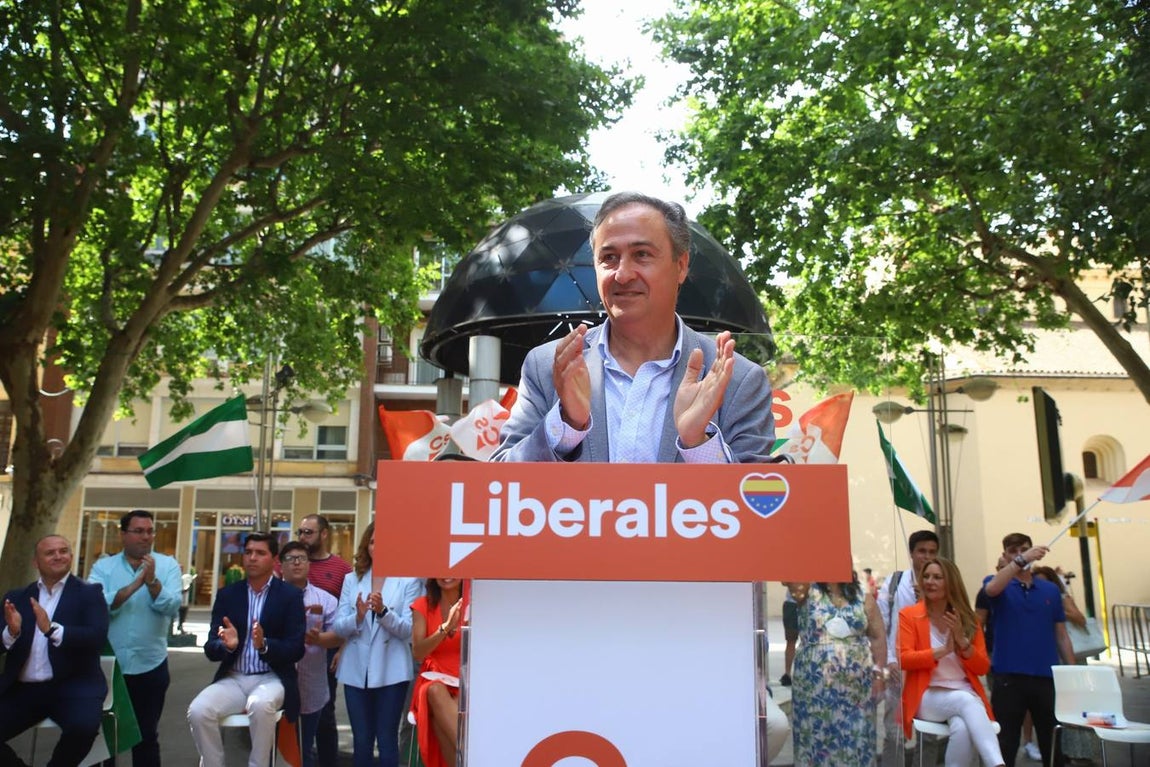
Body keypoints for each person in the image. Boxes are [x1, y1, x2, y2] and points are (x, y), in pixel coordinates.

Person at [492, 191, 777, 465]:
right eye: (609, 258)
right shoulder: (547, 367)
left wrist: (698, 443)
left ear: (681, 265)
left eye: (641, 254)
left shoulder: (739, 380)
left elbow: (760, 504)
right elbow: (498, 488)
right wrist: (565, 424)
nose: (623, 274)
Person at [187, 531, 305, 767]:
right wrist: (226, 645)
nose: (252, 557)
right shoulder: (228, 595)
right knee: (199, 711)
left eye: (260, 553)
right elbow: (211, 648)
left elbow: (296, 648)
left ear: (274, 561)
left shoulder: (289, 596)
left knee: (260, 705)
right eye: (248, 552)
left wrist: (265, 645)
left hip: (272, 678)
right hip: (234, 678)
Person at [0, 535, 110, 767]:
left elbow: (97, 638)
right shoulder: (16, 598)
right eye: (50, 553)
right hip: (22, 691)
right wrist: (12, 632)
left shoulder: (89, 594)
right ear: (35, 562)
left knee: (84, 728)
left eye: (64, 550)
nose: (58, 556)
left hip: (72, 687)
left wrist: (51, 630)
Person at [88, 509, 182, 767]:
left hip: (150, 664)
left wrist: (152, 583)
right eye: (138, 531)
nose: (146, 537)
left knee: (146, 735)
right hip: (110, 666)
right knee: (106, 738)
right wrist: (132, 588)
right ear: (123, 535)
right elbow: (94, 604)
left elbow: (172, 605)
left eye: (150, 531)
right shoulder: (103, 567)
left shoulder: (168, 566)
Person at [333, 523, 423, 767]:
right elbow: (338, 626)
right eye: (373, 542)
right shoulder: (352, 579)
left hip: (391, 670)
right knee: (361, 740)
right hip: (355, 671)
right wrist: (358, 617)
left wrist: (383, 612)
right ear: (366, 546)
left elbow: (408, 630)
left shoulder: (408, 581)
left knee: (386, 739)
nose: (377, 547)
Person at [899, 558, 1004, 767]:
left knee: (962, 727)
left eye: (937, 577)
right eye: (927, 576)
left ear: (951, 583)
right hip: (926, 694)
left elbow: (983, 668)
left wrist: (964, 644)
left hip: (963, 692)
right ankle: (997, 764)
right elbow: (904, 659)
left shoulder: (968, 619)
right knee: (965, 701)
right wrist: (941, 651)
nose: (930, 581)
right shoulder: (910, 615)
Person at [982, 533, 1075, 767]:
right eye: (1013, 551)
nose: (1020, 554)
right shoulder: (997, 583)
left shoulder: (1049, 590)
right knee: (1005, 743)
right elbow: (991, 590)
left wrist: (1072, 674)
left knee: (1052, 742)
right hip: (1008, 677)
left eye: (1024, 549)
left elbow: (1061, 634)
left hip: (1045, 676)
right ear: (1005, 556)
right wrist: (1020, 561)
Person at [788, 578, 886, 767]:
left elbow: (878, 637)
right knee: (817, 741)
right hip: (814, 689)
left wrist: (879, 674)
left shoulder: (862, 596)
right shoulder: (806, 590)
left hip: (857, 690)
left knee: (857, 740)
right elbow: (787, 576)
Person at [876, 529, 941, 767]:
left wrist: (927, 600)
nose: (927, 556)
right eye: (922, 551)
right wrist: (888, 661)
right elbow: (882, 624)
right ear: (911, 553)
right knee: (895, 733)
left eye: (932, 552)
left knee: (929, 733)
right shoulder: (894, 583)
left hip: (930, 668)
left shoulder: (943, 586)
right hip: (898, 668)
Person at [295, 514, 352, 767]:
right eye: (300, 532)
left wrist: (342, 648)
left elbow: (348, 616)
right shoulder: (290, 563)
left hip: (325, 652)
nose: (303, 537)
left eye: (309, 532)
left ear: (324, 534)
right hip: (291, 650)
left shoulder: (342, 569)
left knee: (325, 713)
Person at [278, 541, 341, 767]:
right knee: (276, 749)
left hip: (311, 686)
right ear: (280, 565)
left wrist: (320, 639)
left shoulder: (325, 600)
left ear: (309, 565)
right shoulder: (269, 597)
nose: (297, 563)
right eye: (290, 558)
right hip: (274, 685)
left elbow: (339, 634)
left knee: (304, 748)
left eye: (302, 558)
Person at [410, 577, 468, 767]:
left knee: (438, 723)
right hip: (433, 677)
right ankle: (475, 755)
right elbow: (418, 652)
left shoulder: (474, 604)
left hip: (466, 680)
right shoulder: (422, 605)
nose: (446, 575)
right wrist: (445, 628)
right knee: (434, 691)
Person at [780, 584, 798, 686]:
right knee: (791, 640)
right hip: (792, 603)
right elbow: (784, 581)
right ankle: (787, 674)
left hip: (812, 603)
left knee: (811, 640)